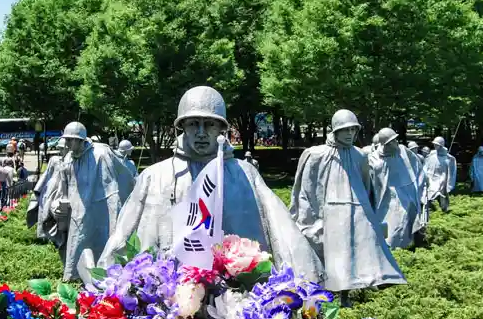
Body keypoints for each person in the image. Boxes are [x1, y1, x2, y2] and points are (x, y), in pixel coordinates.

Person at [99, 86, 321, 280]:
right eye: (194, 123)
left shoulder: (244, 173)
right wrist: (105, 278)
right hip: (167, 296)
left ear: (221, 129)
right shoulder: (154, 175)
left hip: (235, 298)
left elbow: (280, 228)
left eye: (210, 125)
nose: (202, 133)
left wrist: (303, 276)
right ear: (183, 127)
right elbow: (124, 232)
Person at [290, 109, 405, 299]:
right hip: (327, 212)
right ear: (335, 131)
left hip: (355, 210)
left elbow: (366, 185)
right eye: (346, 130)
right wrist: (309, 214)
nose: (350, 134)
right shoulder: (316, 154)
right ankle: (329, 292)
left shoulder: (360, 156)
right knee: (332, 257)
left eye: (353, 130)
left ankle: (356, 288)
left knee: (357, 251)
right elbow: (306, 188)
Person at [39, 122, 135, 281]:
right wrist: (57, 205)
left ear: (81, 140)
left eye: (71, 140)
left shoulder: (101, 154)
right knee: (76, 249)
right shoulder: (69, 158)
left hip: (99, 212)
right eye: (67, 140)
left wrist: (115, 216)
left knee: (101, 250)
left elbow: (112, 189)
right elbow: (63, 187)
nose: (68, 144)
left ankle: (102, 284)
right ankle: (75, 282)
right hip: (77, 214)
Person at [369, 128, 423, 250]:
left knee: (407, 217)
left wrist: (419, 187)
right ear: (385, 144)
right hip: (387, 196)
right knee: (391, 221)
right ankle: (391, 246)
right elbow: (373, 179)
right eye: (391, 142)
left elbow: (416, 167)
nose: (395, 143)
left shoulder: (404, 151)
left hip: (407, 192)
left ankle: (407, 246)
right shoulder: (376, 158)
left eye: (395, 140)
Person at [422, 136, 457, 212]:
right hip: (431, 178)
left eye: (437, 144)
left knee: (442, 194)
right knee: (428, 192)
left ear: (441, 145)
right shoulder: (431, 155)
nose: (435, 145)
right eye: (434, 144)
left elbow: (449, 171)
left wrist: (445, 181)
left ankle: (444, 208)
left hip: (441, 179)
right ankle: (428, 207)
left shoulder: (447, 158)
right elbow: (426, 166)